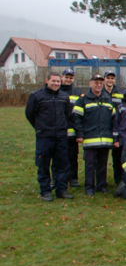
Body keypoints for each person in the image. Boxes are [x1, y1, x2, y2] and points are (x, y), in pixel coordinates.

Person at [25, 72, 74, 201]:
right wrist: (40, 127)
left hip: (61, 137)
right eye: (53, 81)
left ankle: (61, 190)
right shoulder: (37, 96)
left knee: (62, 164)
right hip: (45, 137)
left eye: (58, 81)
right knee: (43, 164)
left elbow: (67, 114)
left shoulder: (64, 97)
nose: (56, 83)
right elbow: (30, 114)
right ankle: (45, 191)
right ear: (47, 81)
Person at [73, 74, 116, 196]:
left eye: (100, 83)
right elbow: (76, 118)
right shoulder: (83, 100)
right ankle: (89, 188)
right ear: (90, 84)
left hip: (105, 139)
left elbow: (114, 119)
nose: (98, 85)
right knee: (90, 165)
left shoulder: (108, 99)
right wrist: (80, 134)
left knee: (102, 164)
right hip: (90, 139)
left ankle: (101, 186)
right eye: (96, 82)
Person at [58, 69, 82, 188]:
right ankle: (59, 179)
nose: (68, 80)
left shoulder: (77, 93)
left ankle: (73, 178)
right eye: (66, 77)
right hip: (59, 131)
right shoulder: (56, 91)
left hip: (72, 131)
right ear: (62, 77)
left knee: (73, 157)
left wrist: (79, 132)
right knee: (59, 157)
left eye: (70, 78)